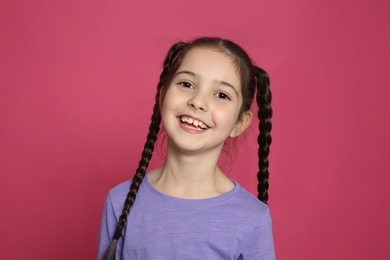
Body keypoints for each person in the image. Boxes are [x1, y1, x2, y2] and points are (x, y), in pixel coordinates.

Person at [97, 37, 274, 260]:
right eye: (186, 84)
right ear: (162, 97)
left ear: (239, 123)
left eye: (221, 95)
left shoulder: (253, 218)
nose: (198, 102)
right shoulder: (119, 201)